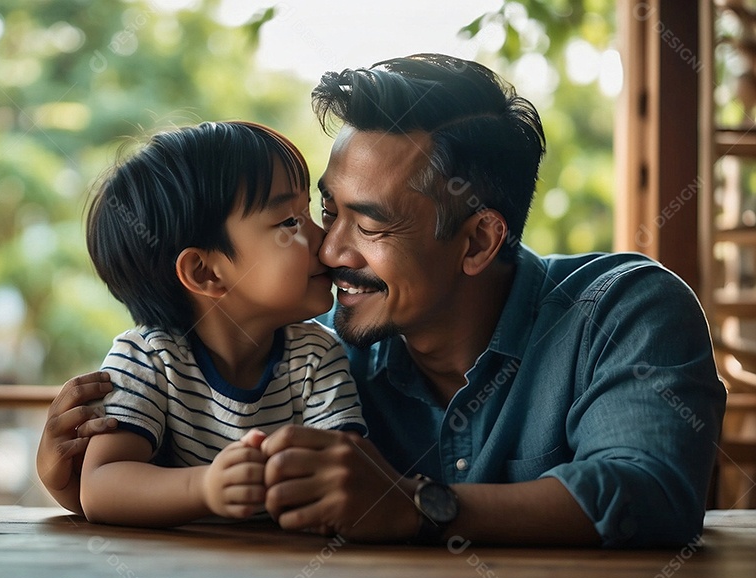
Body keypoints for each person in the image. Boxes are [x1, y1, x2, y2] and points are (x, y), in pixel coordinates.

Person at [38, 54, 726, 547]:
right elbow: (221, 479)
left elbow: (653, 495)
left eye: (367, 225)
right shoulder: (315, 350)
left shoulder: (624, 312)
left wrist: (420, 508)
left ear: (479, 240)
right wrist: (81, 486)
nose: (328, 250)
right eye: (322, 211)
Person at [39, 120, 367, 527]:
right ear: (205, 272)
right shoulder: (149, 358)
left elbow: (346, 479)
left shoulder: (317, 354)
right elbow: (101, 486)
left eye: (310, 214)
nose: (326, 238)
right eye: (289, 222)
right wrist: (205, 488)